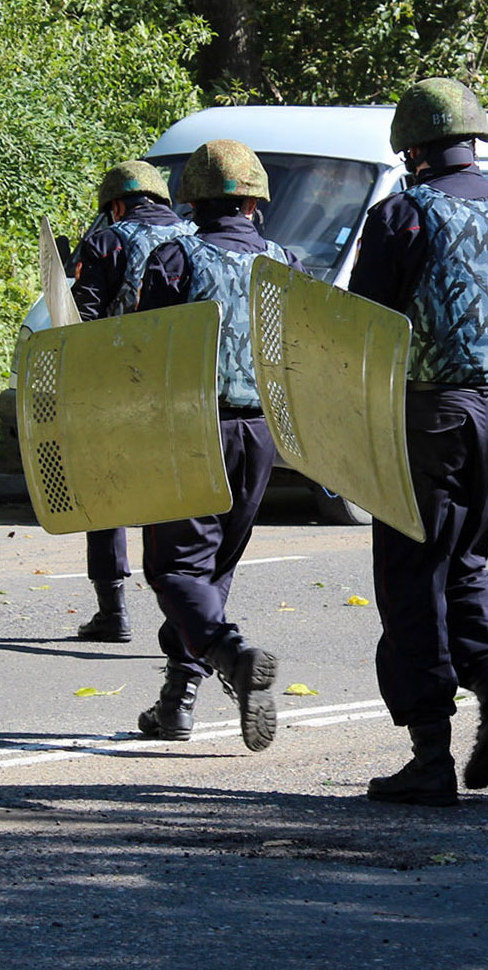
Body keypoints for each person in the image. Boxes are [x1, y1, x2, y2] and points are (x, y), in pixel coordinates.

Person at [348, 78, 488, 806]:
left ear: (411, 148)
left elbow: (362, 325)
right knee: (468, 566)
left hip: (431, 418)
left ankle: (430, 756)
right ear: (472, 141)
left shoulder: (403, 216)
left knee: (414, 574)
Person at [127, 140, 297, 751]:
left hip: (192, 428)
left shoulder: (176, 256)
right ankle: (178, 700)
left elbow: (144, 349)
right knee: (215, 566)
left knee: (174, 567)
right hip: (260, 434)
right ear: (255, 201)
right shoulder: (285, 261)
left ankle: (233, 653)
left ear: (193, 200)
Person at [67, 161, 195, 643]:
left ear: (116, 205)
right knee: (173, 499)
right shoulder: (192, 237)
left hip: (116, 383)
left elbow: (85, 314)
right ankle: (180, 612)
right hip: (180, 387)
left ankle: (112, 612)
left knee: (105, 496)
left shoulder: (108, 239)